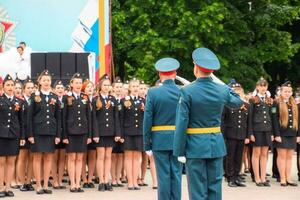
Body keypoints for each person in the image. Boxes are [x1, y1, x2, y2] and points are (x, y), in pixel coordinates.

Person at [173, 47, 243, 200]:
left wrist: (179, 150)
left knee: (197, 189)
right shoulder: (222, 90)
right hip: (215, 144)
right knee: (215, 188)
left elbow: (182, 122)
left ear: (195, 67)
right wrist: (222, 84)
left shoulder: (187, 91)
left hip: (194, 146)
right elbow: (238, 101)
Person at [143, 57, 183, 200]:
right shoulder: (182, 91)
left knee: (163, 175)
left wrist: (147, 143)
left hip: (159, 139)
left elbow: (147, 119)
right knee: (176, 174)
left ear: (160, 75)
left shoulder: (153, 92)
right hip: (178, 138)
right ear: (175, 74)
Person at [28, 70, 61, 194]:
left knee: (48, 158)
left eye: (48, 80)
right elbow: (29, 117)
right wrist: (30, 134)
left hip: (50, 131)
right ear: (40, 82)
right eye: (44, 80)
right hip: (37, 132)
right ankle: (38, 185)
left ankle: (46, 185)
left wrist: (58, 135)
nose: (47, 82)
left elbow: (58, 117)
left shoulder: (54, 97)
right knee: (37, 158)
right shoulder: (34, 96)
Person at [62, 73, 92, 193]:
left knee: (80, 158)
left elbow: (88, 117)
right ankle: (72, 183)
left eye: (80, 83)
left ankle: (78, 183)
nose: (78, 85)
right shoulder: (66, 97)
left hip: (82, 132)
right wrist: (64, 135)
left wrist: (89, 135)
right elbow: (63, 117)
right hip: (70, 132)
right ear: (72, 84)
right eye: (76, 83)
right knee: (72, 157)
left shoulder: (85, 97)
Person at [93, 75, 121, 191]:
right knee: (101, 156)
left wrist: (117, 133)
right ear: (100, 86)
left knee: (108, 156)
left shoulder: (113, 99)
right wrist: (95, 134)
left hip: (110, 131)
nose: (106, 87)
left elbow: (116, 117)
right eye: (104, 85)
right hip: (100, 131)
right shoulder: (95, 99)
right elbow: (93, 118)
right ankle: (101, 181)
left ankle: (107, 180)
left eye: (108, 85)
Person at [0, 74, 25, 198]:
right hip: (1, 135)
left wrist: (22, 137)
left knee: (11, 162)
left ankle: (8, 187)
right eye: (8, 85)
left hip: (14, 135)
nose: (10, 87)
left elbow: (21, 121)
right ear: (3, 87)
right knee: (1, 162)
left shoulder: (19, 101)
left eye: (12, 85)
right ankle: (0, 187)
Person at [272, 81, 300, 186]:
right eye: (285, 91)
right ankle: (282, 178)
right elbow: (274, 119)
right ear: (281, 92)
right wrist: (277, 134)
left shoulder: (293, 103)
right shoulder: (276, 102)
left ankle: (288, 178)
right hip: (281, 134)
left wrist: (298, 135)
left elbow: (298, 120)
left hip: (292, 134)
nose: (287, 93)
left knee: (289, 157)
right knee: (282, 156)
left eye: (289, 91)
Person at [222, 81, 248, 187]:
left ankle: (237, 176)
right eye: (235, 91)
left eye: (239, 91)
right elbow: (223, 121)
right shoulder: (227, 105)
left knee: (238, 157)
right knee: (230, 157)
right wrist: (223, 135)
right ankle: (230, 177)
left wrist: (247, 135)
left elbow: (247, 122)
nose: (238, 93)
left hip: (241, 134)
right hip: (230, 134)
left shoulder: (245, 105)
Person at [248, 78, 273, 187]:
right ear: (257, 87)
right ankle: (257, 178)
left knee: (264, 154)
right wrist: (250, 133)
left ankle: (263, 178)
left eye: (265, 86)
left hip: (267, 130)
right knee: (256, 154)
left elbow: (271, 117)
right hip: (257, 130)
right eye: (261, 86)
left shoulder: (269, 100)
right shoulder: (253, 99)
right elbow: (250, 118)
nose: (263, 88)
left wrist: (272, 133)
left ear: (267, 87)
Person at [120, 79, 145, 190]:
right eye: (133, 86)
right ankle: (130, 181)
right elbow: (121, 118)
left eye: (137, 86)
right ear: (129, 88)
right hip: (128, 132)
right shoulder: (124, 100)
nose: (135, 88)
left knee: (137, 157)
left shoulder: (143, 101)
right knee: (128, 157)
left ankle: (135, 181)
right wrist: (120, 134)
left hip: (139, 132)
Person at [16, 78, 35, 192]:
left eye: (32, 87)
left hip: (33, 133)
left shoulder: (36, 100)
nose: (30, 90)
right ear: (24, 89)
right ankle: (22, 182)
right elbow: (21, 121)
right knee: (22, 158)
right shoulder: (20, 101)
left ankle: (28, 182)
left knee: (32, 158)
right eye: (28, 88)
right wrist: (22, 136)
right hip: (22, 133)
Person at [81, 79, 97, 189]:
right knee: (82, 156)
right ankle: (83, 178)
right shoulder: (81, 100)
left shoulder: (97, 100)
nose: (90, 88)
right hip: (83, 131)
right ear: (84, 89)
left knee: (92, 155)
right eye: (88, 87)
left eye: (91, 87)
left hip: (94, 131)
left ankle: (90, 178)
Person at [52, 80, 67, 190]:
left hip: (65, 132)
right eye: (58, 88)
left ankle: (60, 179)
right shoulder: (52, 100)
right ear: (54, 90)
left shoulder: (67, 100)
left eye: (62, 88)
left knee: (62, 157)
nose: (60, 90)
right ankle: (54, 180)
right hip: (54, 132)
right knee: (54, 157)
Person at [111, 77, 125, 187]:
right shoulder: (111, 100)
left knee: (120, 156)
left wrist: (122, 134)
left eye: (120, 87)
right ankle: (113, 178)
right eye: (117, 87)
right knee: (113, 156)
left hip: (123, 131)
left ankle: (119, 177)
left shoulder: (125, 101)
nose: (119, 89)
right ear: (113, 88)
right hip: (113, 132)